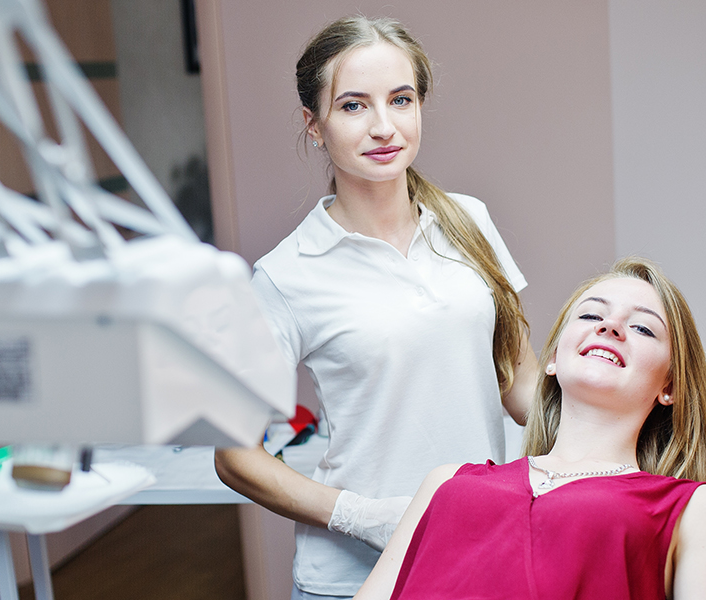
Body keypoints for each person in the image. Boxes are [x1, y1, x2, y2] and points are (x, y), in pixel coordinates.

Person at [212, 16, 545, 600]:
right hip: (353, 577)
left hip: (479, 553)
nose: (384, 127)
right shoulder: (286, 276)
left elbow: (521, 384)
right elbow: (234, 455)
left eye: (400, 99)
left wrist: (655, 391)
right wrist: (362, 517)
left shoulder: (469, 221)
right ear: (314, 126)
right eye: (353, 106)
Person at [352, 258, 706, 600]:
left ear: (670, 386)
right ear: (554, 358)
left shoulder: (700, 507)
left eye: (643, 328)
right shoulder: (445, 482)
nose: (610, 327)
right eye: (591, 316)